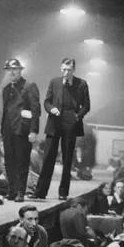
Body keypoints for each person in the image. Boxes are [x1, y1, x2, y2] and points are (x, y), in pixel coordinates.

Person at [32, 58, 90, 201]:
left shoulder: (81, 84)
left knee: (67, 159)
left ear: (74, 70)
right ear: (60, 68)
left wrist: (77, 117)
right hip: (54, 123)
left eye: (69, 70)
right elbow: (47, 101)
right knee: (48, 158)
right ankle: (40, 191)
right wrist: (52, 109)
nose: (65, 72)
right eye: (63, 69)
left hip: (71, 123)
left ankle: (63, 192)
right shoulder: (55, 82)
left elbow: (86, 105)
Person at [0, 58, 41, 202]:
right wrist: (2, 132)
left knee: (22, 162)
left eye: (15, 69)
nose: (12, 72)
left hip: (23, 131)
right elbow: (5, 112)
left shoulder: (29, 86)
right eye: (9, 70)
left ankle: (20, 192)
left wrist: (34, 131)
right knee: (9, 161)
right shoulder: (5, 90)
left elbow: (36, 110)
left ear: (20, 70)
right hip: (8, 131)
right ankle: (12, 191)